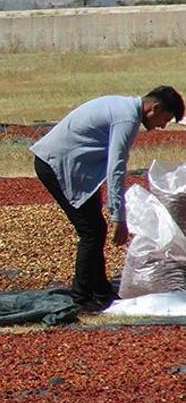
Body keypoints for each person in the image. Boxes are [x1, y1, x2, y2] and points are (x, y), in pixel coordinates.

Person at [30, 86, 185, 312]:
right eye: (165, 119)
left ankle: (101, 291)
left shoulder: (123, 107)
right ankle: (81, 299)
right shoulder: (127, 119)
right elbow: (116, 167)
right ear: (155, 108)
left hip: (75, 167)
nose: (162, 126)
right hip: (56, 164)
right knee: (91, 232)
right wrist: (118, 216)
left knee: (95, 229)